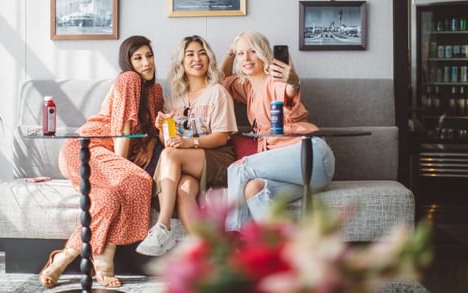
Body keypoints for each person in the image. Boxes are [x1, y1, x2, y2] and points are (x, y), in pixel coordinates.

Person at [39, 36, 164, 288]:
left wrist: (150, 146)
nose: (146, 63)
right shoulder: (129, 79)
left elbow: (154, 129)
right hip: (87, 149)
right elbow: (122, 127)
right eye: (137, 58)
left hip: (107, 159)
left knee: (108, 200)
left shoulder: (156, 91)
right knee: (136, 180)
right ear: (127, 63)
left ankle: (64, 259)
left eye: (149, 56)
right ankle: (101, 260)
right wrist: (121, 168)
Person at [220, 32, 335, 231]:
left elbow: (289, 93)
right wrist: (231, 53)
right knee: (253, 189)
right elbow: (222, 82)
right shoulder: (247, 87)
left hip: (310, 155)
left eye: (252, 51)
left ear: (264, 53)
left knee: (238, 169)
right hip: (298, 176)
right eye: (241, 54)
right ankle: (286, 250)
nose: (246, 58)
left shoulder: (275, 81)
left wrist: (293, 82)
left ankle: (234, 243)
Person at [136, 35, 238, 256]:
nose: (197, 59)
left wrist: (188, 142)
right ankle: (211, 254)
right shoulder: (175, 98)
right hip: (186, 161)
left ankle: (163, 226)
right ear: (181, 62)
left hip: (217, 157)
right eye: (190, 54)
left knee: (170, 155)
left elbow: (222, 137)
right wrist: (162, 128)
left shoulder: (217, 92)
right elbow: (169, 142)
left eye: (202, 53)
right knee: (185, 189)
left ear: (209, 59)